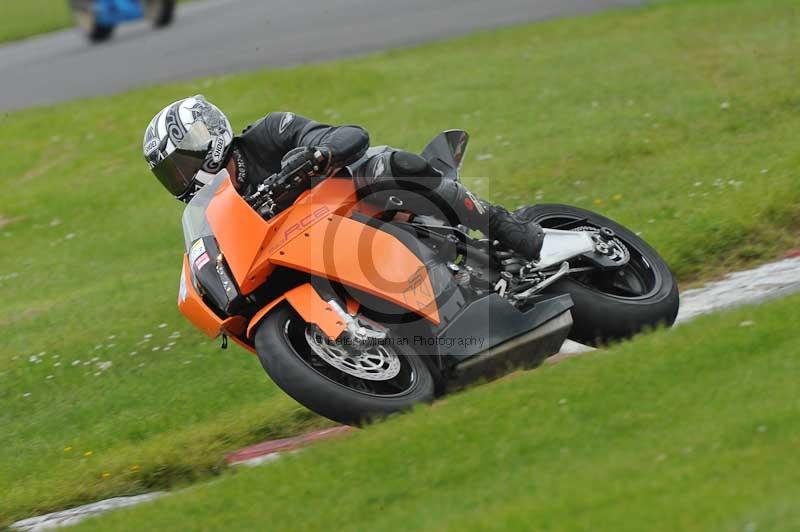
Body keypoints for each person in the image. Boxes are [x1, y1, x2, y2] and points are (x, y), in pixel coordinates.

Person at [142, 95, 544, 260]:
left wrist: (315, 156)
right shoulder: (218, 211)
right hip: (327, 249)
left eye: (181, 164)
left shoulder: (267, 132)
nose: (181, 177)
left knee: (388, 167)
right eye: (170, 174)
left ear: (207, 138)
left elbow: (348, 135)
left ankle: (507, 227)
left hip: (358, 200)